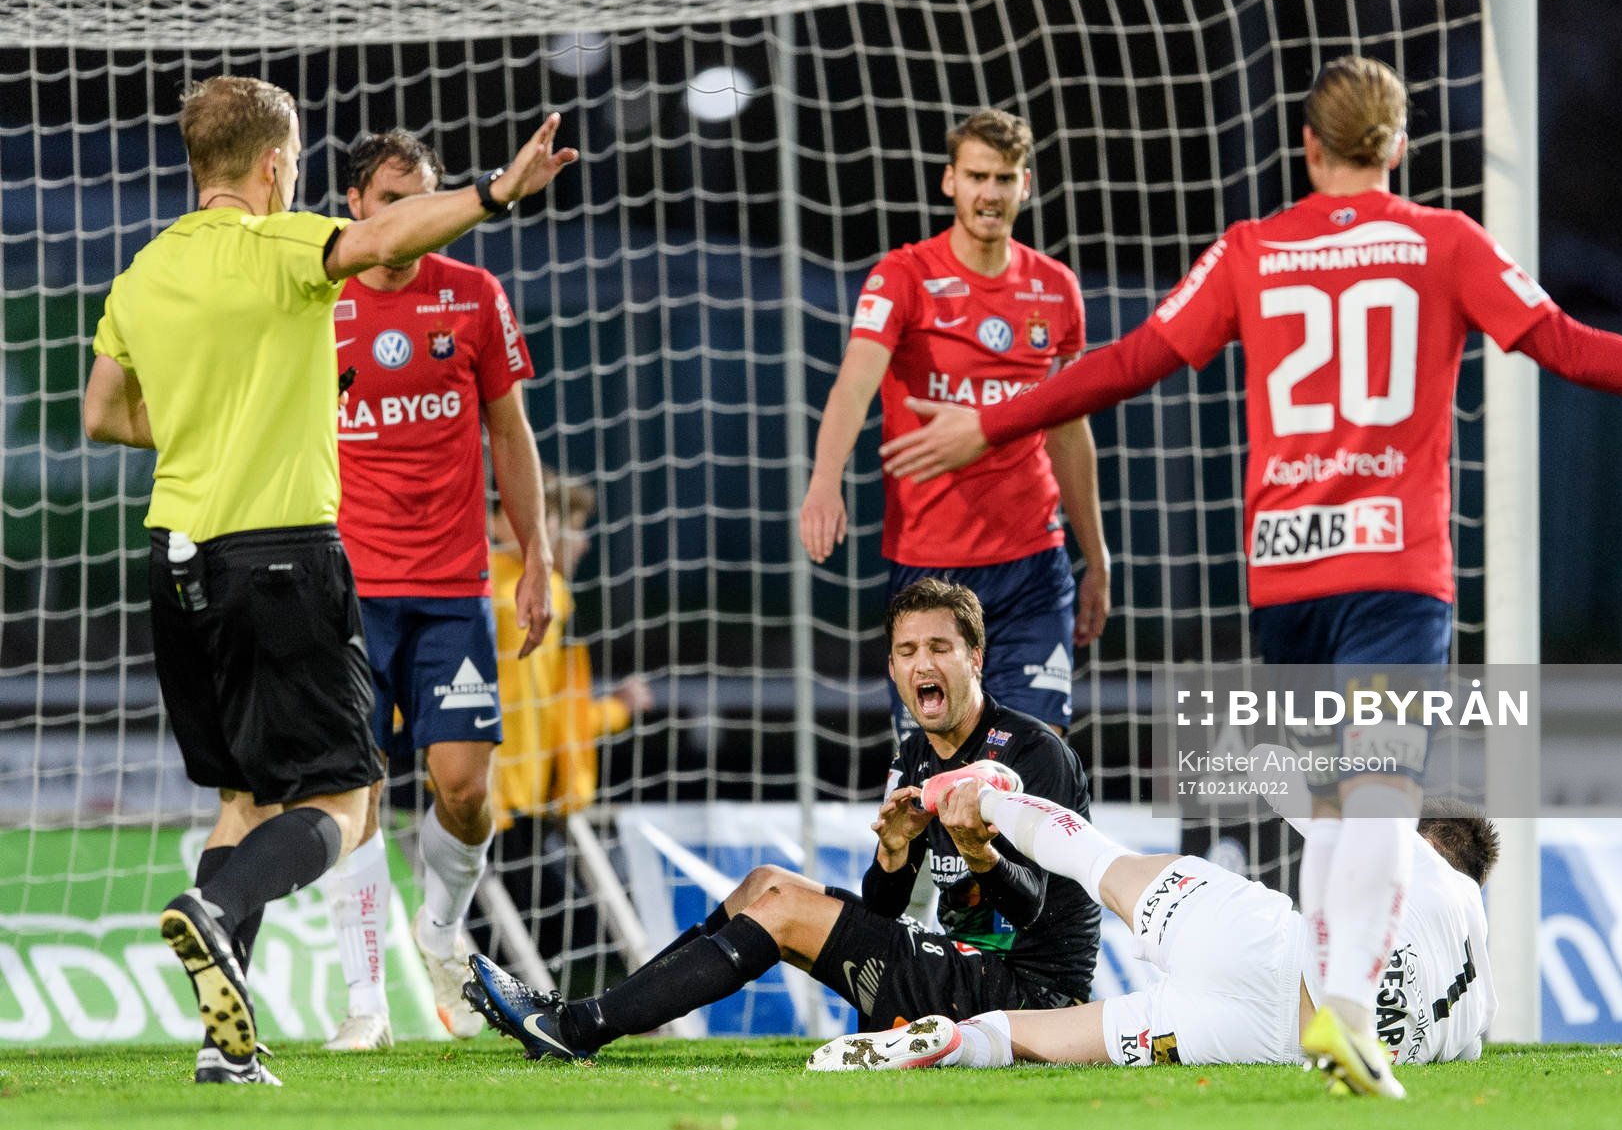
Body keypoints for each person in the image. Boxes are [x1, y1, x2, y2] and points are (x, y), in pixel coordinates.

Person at [875, 56, 1622, 1095]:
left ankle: (1323, 997)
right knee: (1378, 799)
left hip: (1288, 571)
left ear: (1308, 147)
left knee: (1324, 801)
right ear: (1397, 149)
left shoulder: (1253, 248)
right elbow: (1566, 345)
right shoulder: (1445, 242)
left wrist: (989, 418)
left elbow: (1129, 362)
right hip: (1394, 569)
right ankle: (1342, 1011)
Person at [82, 73, 575, 1084]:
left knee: (244, 795)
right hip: (283, 555)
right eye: (296, 161)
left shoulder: (143, 269)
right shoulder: (287, 244)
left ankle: (227, 1046)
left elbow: (102, 412)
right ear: (275, 164)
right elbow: (377, 245)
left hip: (173, 559)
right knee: (347, 796)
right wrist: (495, 192)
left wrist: (209, 426)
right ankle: (216, 909)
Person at [462, 578, 1101, 1060]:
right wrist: (893, 853)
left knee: (785, 913)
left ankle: (574, 1030)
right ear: (892, 669)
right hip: (962, 967)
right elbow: (885, 907)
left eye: (940, 648)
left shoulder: (1031, 753)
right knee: (762, 883)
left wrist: (982, 856)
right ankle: (587, 1016)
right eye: (907, 651)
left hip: (1033, 998)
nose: (922, 664)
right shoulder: (914, 755)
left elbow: (1041, 913)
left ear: (976, 659)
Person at [322, 129, 555, 1052]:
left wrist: (534, 552)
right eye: (390, 199)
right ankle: (366, 1002)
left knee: (461, 791)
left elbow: (510, 430)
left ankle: (440, 927)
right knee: (356, 792)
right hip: (347, 591)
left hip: (454, 586)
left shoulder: (473, 296)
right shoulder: (319, 298)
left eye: (422, 197)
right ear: (355, 205)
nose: (410, 217)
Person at [808, 780, 1497, 1090]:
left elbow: (1293, 791)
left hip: (1262, 946)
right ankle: (958, 1041)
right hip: (1267, 1041)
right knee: (1058, 1039)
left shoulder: (1406, 853)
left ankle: (985, 795)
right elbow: (1463, 1047)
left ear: (1426, 836)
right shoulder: (1481, 996)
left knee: (1100, 864)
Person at [800, 109, 1109, 738]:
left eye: (1003, 178)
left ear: (1024, 185)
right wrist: (824, 480)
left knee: (1035, 758)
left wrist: (1096, 556)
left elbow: (1069, 429)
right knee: (936, 772)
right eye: (976, 176)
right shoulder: (905, 276)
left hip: (1033, 564)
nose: (989, 193)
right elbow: (856, 379)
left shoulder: (1056, 290)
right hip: (930, 569)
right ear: (950, 182)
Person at [484, 476, 650, 983]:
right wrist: (618, 709)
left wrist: (613, 710)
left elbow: (558, 716)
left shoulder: (542, 594)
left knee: (558, 925)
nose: (581, 542)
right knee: (575, 926)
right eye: (571, 526)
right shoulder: (503, 591)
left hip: (524, 798)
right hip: (492, 795)